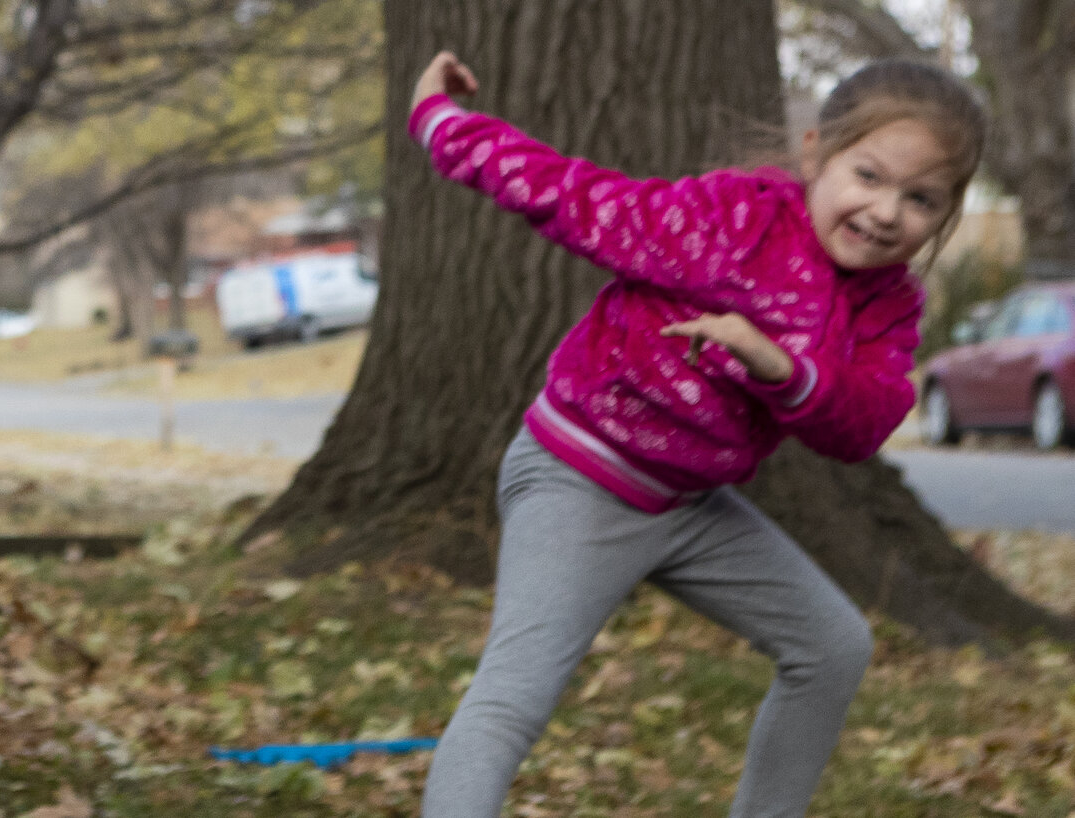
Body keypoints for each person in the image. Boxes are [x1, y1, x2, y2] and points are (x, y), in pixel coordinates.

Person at [409, 51, 985, 818]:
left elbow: (865, 422)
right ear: (817, 152)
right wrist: (442, 121)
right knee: (514, 697)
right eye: (870, 176)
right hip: (578, 477)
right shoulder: (728, 220)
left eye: (921, 199)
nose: (886, 212)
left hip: (687, 507)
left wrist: (782, 369)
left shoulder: (888, 305)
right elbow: (573, 196)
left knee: (832, 647)